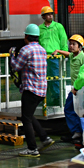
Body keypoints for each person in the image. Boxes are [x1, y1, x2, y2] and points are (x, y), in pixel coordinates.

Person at [11, 24, 54, 157]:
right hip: (41, 89)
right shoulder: (42, 49)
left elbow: (16, 67)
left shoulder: (26, 50)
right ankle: (44, 138)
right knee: (28, 115)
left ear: (26, 37)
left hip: (31, 89)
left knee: (26, 119)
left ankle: (32, 148)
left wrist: (11, 55)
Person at [61, 34, 84, 143]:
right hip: (74, 89)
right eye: (70, 44)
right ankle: (77, 132)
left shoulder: (83, 57)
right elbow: (68, 54)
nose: (71, 46)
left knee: (81, 112)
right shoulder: (72, 56)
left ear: (80, 46)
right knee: (69, 109)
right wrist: (59, 50)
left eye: (74, 44)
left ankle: (83, 135)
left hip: (81, 89)